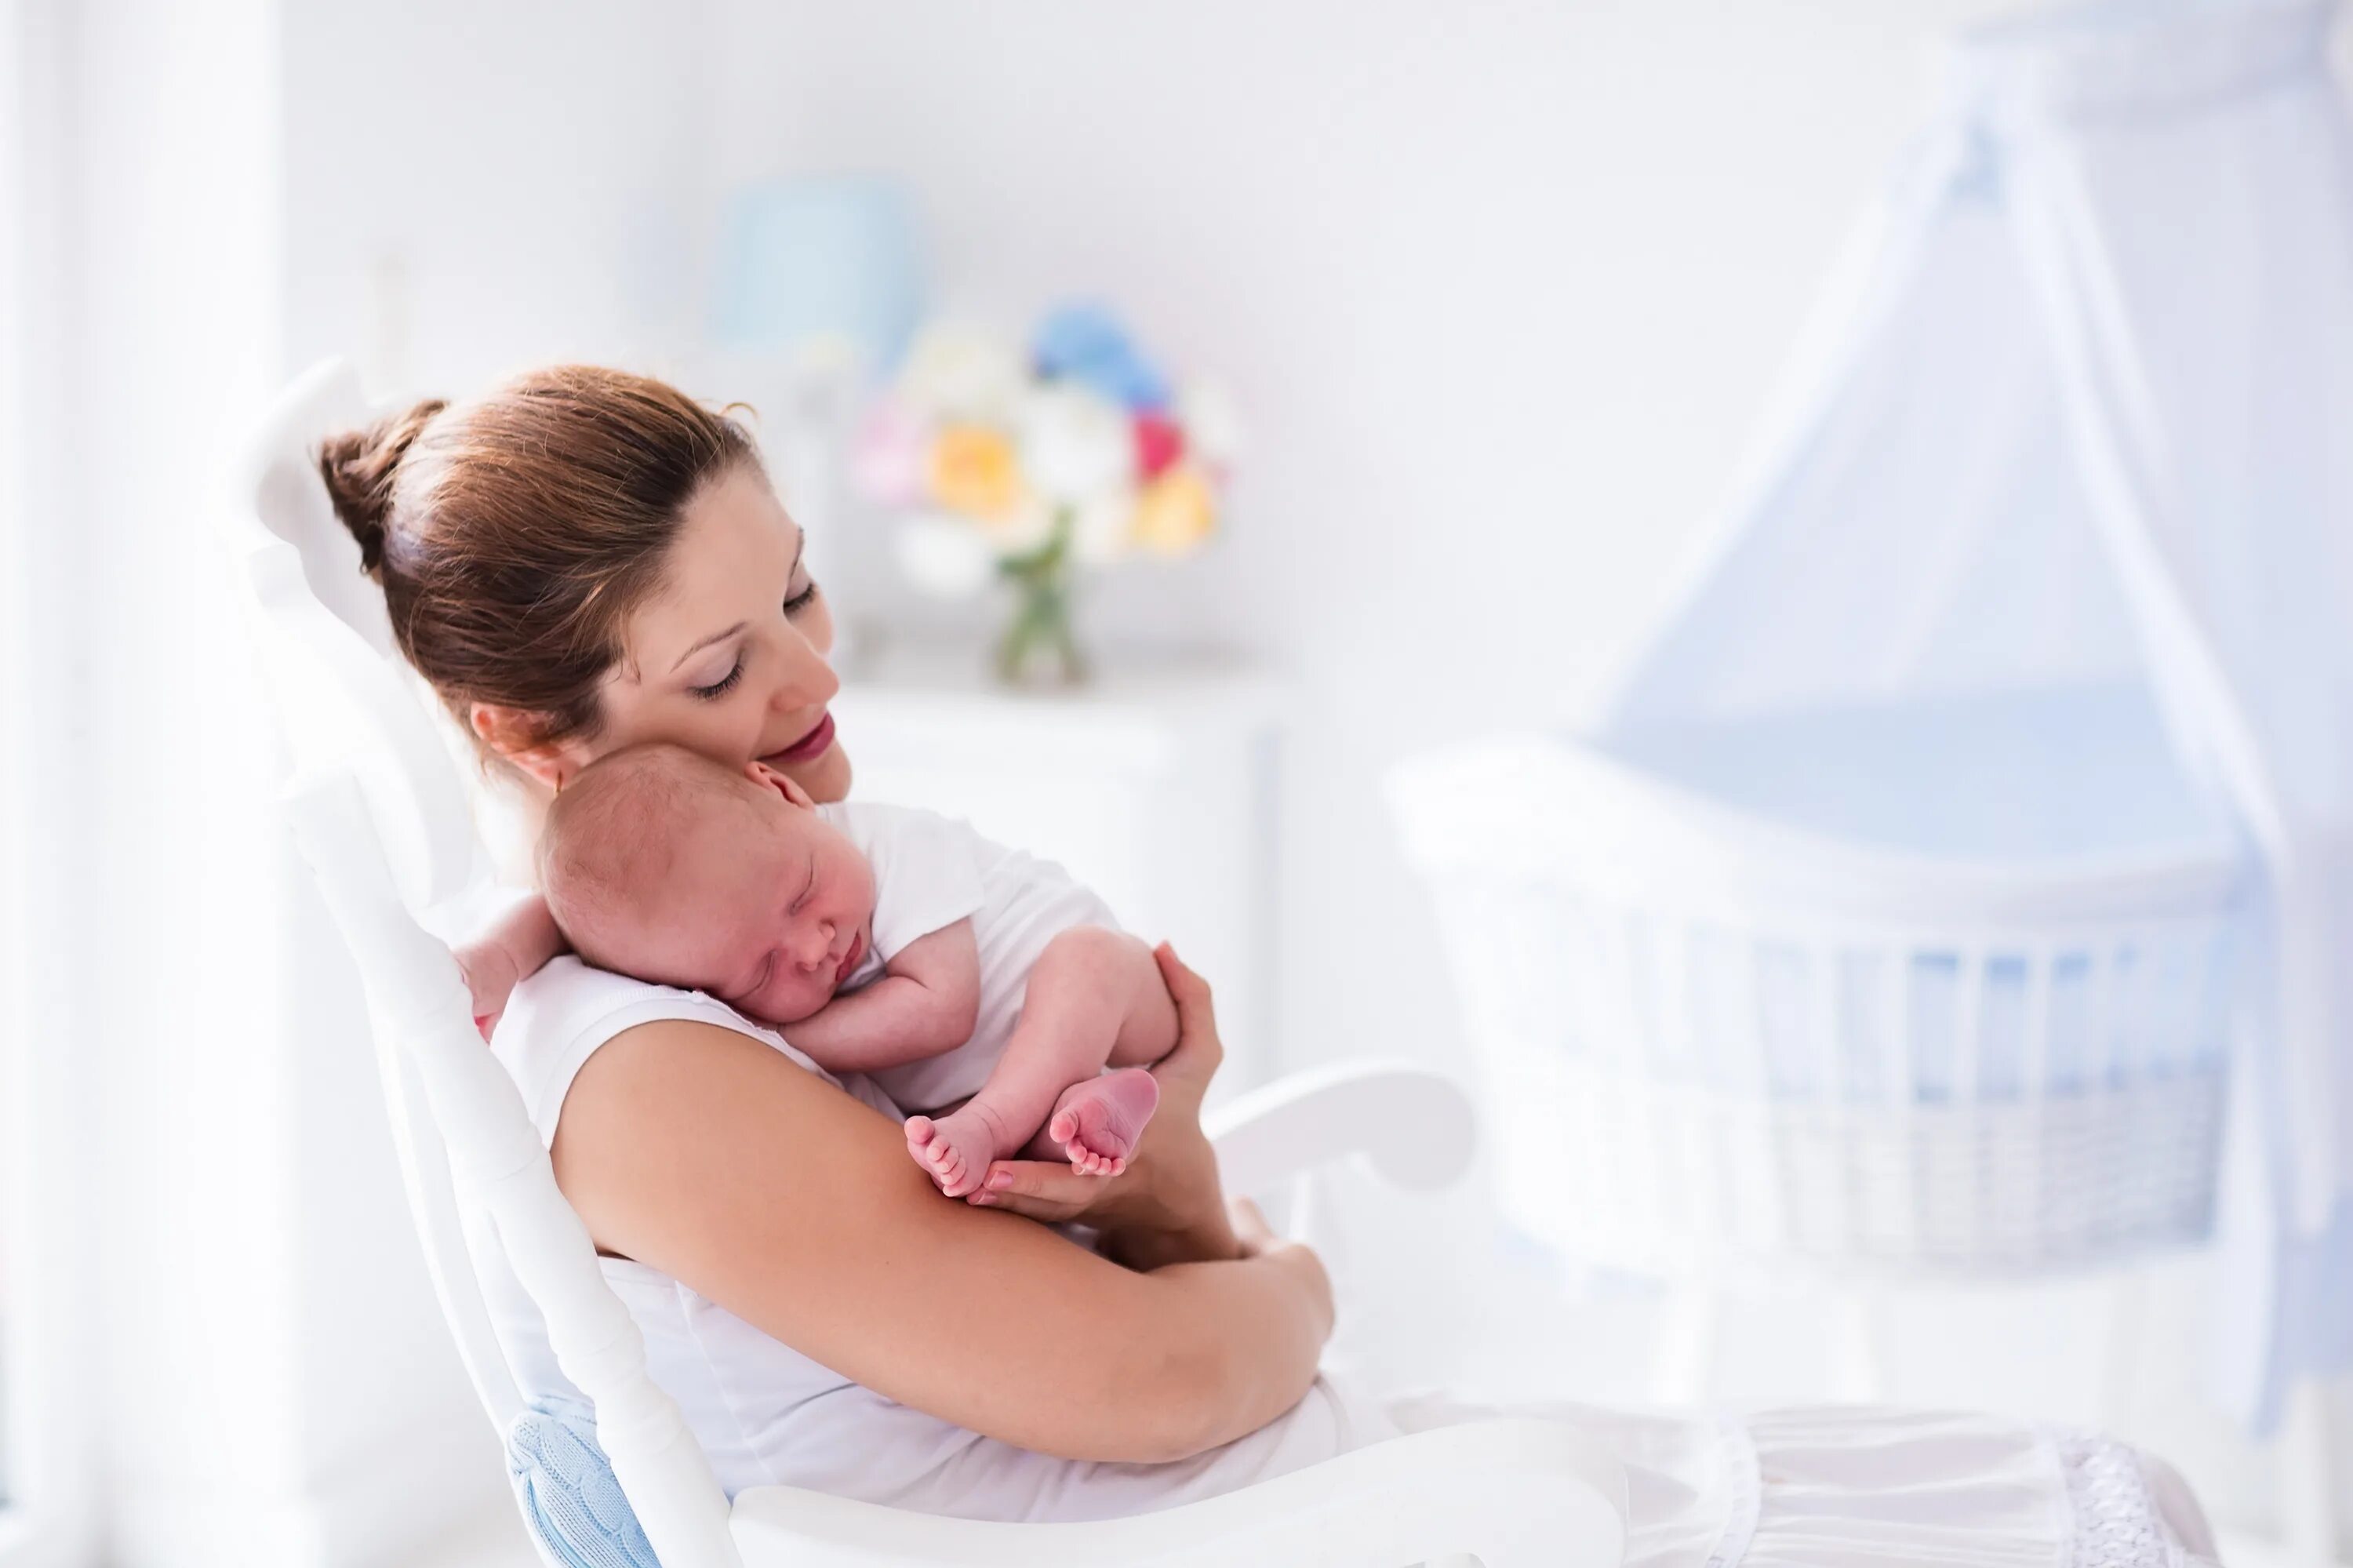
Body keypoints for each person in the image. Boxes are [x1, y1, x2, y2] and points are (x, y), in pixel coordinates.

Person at [318, 364, 2220, 1564]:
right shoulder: (653, 1080)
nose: (815, 683)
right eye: (723, 671)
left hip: (1245, 1463)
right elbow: (1158, 1376)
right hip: (1197, 1492)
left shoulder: (780, 942)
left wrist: (1171, 1179)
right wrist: (1293, 1274)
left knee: (2081, 1490)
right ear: (535, 730)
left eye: (799, 591)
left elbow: (1148, 1271)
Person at [532, 740, 1173, 1193]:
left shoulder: (896, 844)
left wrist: (775, 1035)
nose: (813, 949)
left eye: (802, 894)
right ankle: (1084, 1118)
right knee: (1023, 1160)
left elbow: (943, 1008)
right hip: (1022, 1096)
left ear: (785, 793)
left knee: (1084, 958)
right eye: (762, 971)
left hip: (1121, 1006)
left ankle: (1012, 1120)